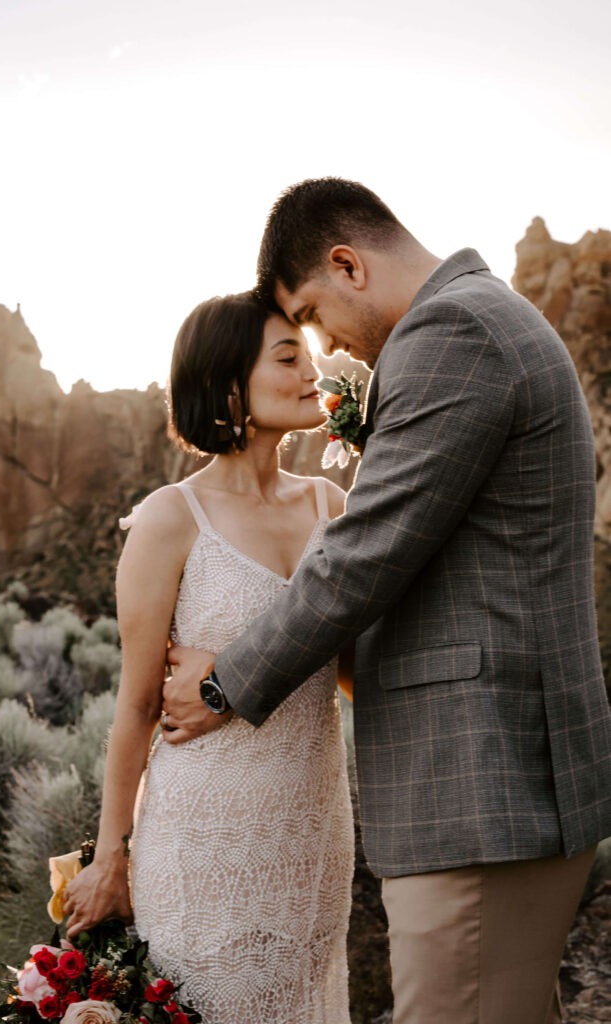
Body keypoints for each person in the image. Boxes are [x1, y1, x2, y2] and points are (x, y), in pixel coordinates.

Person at [161, 178, 611, 1024]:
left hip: (480, 782)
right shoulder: (480, 318)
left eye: (314, 316)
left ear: (346, 264)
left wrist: (224, 683)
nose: (328, 344)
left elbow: (364, 552)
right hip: (500, 781)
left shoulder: (453, 332)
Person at [62, 290, 355, 1024]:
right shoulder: (169, 518)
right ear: (229, 385)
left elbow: (351, 674)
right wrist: (109, 858)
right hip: (202, 842)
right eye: (287, 357)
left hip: (312, 839)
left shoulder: (332, 506)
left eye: (308, 353)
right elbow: (134, 707)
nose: (310, 370)